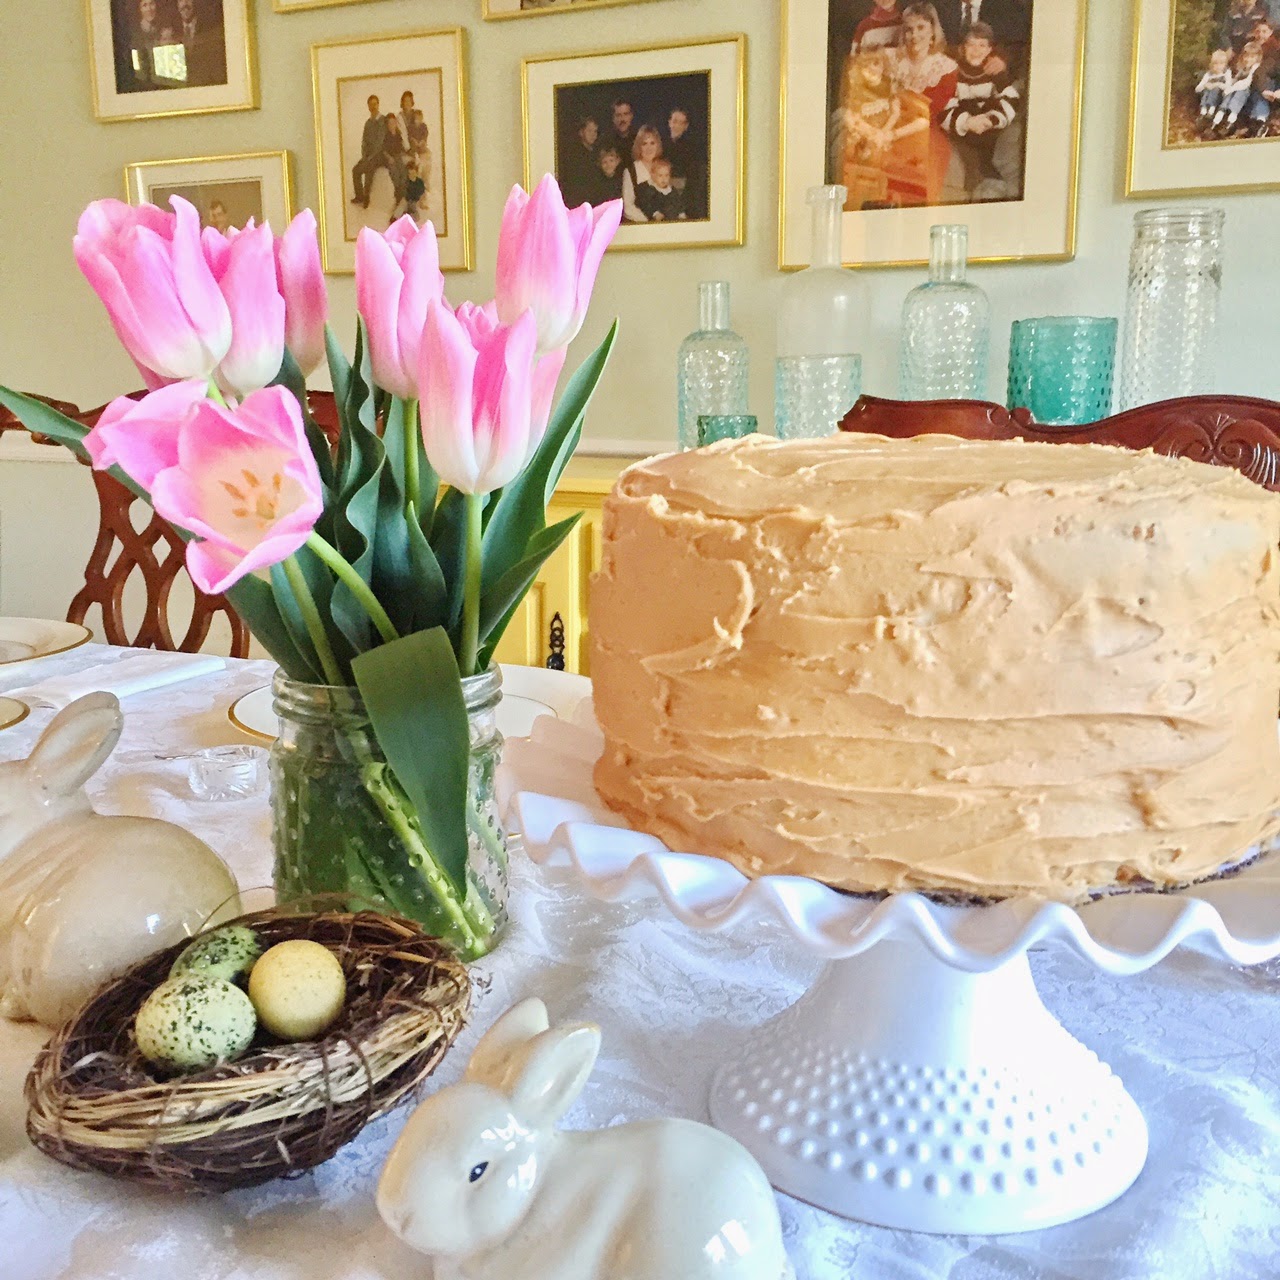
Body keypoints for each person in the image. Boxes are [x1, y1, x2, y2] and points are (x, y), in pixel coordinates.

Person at [940, 21, 1021, 200]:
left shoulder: (993, 72)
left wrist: (992, 119)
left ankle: (990, 178)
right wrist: (966, 122)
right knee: (966, 156)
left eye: (982, 45)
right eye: (971, 45)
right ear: (962, 48)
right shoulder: (953, 71)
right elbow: (945, 103)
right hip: (963, 126)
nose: (976, 50)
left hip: (987, 126)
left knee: (998, 146)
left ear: (990, 50)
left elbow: (1010, 98)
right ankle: (978, 178)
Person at [831, 47, 902, 174]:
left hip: (880, 129)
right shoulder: (858, 88)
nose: (871, 69)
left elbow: (895, 113)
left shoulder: (888, 85)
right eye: (865, 66)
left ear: (883, 67)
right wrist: (871, 132)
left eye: (876, 64)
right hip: (865, 128)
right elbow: (853, 118)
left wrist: (883, 131)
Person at [1212, 40, 1269, 135]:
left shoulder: (1257, 68)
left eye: (1252, 57)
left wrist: (1231, 88)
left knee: (1241, 92)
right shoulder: (1242, 68)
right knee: (1232, 93)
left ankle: (1232, 119)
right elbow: (1236, 79)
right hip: (1244, 98)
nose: (1248, 59)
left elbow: (1246, 83)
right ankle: (1222, 117)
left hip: (1252, 95)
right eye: (1246, 56)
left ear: (1258, 58)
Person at [664, 107, 707, 220]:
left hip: (684, 193)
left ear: (686, 126)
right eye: (675, 121)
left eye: (681, 123)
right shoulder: (660, 144)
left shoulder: (692, 148)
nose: (677, 126)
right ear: (669, 122)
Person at [176, 0, 225, 87]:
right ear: (177, 4)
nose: (185, 4)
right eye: (181, 0)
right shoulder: (171, 31)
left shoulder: (209, 28)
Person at [351, 94, 388, 208]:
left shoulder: (382, 121)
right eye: (371, 104)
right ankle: (359, 196)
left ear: (378, 105)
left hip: (380, 155)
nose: (373, 107)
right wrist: (364, 156)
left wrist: (371, 156)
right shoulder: (368, 123)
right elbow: (364, 141)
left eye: (375, 104)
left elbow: (380, 142)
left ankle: (366, 195)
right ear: (368, 106)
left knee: (369, 168)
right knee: (356, 170)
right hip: (368, 156)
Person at [621, 125, 664, 223]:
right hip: (640, 225)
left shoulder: (663, 168)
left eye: (652, 143)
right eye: (644, 144)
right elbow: (628, 206)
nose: (649, 148)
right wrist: (648, 222)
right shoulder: (631, 172)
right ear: (639, 147)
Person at [129, 0, 175, 88]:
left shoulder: (165, 28)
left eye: (152, 4)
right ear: (140, 9)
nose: (149, 9)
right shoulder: (135, 33)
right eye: (145, 5)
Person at [561, 116, 601, 206]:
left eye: (595, 131)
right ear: (581, 132)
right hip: (578, 201)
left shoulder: (597, 153)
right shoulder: (574, 156)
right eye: (589, 131)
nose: (593, 134)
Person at [634, 157, 686, 222]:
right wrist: (655, 213)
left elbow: (678, 203)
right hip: (657, 221)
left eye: (666, 175)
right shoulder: (650, 190)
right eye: (660, 175)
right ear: (653, 175)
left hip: (673, 220)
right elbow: (645, 204)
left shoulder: (672, 190)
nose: (663, 179)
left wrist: (681, 213)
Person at [1195, 48, 1234, 127]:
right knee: (1207, 89)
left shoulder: (1226, 73)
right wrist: (1205, 85)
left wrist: (1217, 84)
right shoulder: (1209, 74)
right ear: (1212, 64)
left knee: (1215, 88)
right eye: (1216, 64)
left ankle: (1211, 110)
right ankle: (1203, 111)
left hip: (1219, 98)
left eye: (1221, 64)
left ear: (1225, 64)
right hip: (1207, 98)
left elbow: (1228, 87)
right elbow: (1197, 89)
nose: (1218, 66)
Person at [383, 111, 409, 207]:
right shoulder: (386, 136)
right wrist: (389, 158)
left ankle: (404, 197)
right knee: (395, 173)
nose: (392, 125)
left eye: (393, 122)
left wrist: (403, 154)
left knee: (403, 172)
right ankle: (398, 198)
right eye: (390, 123)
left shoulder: (398, 134)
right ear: (387, 124)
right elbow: (384, 150)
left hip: (398, 156)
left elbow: (401, 147)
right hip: (390, 158)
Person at [604, 99, 638, 164]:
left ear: (631, 116)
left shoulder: (640, 139)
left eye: (625, 114)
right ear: (613, 118)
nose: (622, 119)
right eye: (618, 115)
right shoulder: (605, 143)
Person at [400, 157, 428, 225]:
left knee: (414, 211)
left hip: (416, 200)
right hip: (407, 200)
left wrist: (421, 202)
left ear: (416, 172)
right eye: (409, 174)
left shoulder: (419, 182)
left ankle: (409, 216)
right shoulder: (406, 182)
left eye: (413, 173)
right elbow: (404, 193)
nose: (411, 175)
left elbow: (422, 192)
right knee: (402, 206)